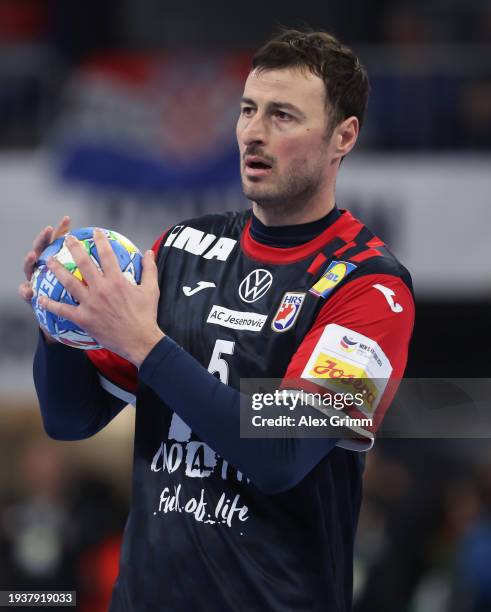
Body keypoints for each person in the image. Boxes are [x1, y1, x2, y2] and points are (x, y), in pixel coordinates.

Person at [19, 29, 415, 611]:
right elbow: (70, 418)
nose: (254, 132)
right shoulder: (183, 248)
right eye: (248, 110)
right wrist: (61, 320)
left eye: (283, 115)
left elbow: (282, 456)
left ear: (343, 136)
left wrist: (146, 345)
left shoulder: (373, 289)